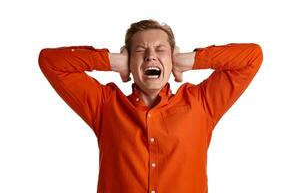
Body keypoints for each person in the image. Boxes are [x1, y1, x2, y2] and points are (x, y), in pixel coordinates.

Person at [38, 19, 263, 193]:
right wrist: (111, 61)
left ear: (172, 58)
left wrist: (192, 60)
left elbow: (252, 57)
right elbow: (51, 62)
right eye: (140, 51)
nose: (150, 57)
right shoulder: (104, 106)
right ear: (129, 62)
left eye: (160, 50)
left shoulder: (202, 103)